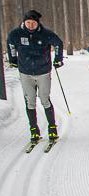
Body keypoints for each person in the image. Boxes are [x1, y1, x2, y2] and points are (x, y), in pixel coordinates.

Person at [6, 9, 64, 144]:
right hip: (25, 72)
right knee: (30, 101)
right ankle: (33, 129)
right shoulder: (16, 34)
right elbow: (11, 45)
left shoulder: (45, 34)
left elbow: (58, 43)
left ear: (37, 23)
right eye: (28, 23)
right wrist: (13, 59)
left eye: (33, 23)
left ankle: (52, 127)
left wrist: (58, 59)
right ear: (24, 22)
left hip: (43, 71)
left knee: (44, 99)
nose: (30, 25)